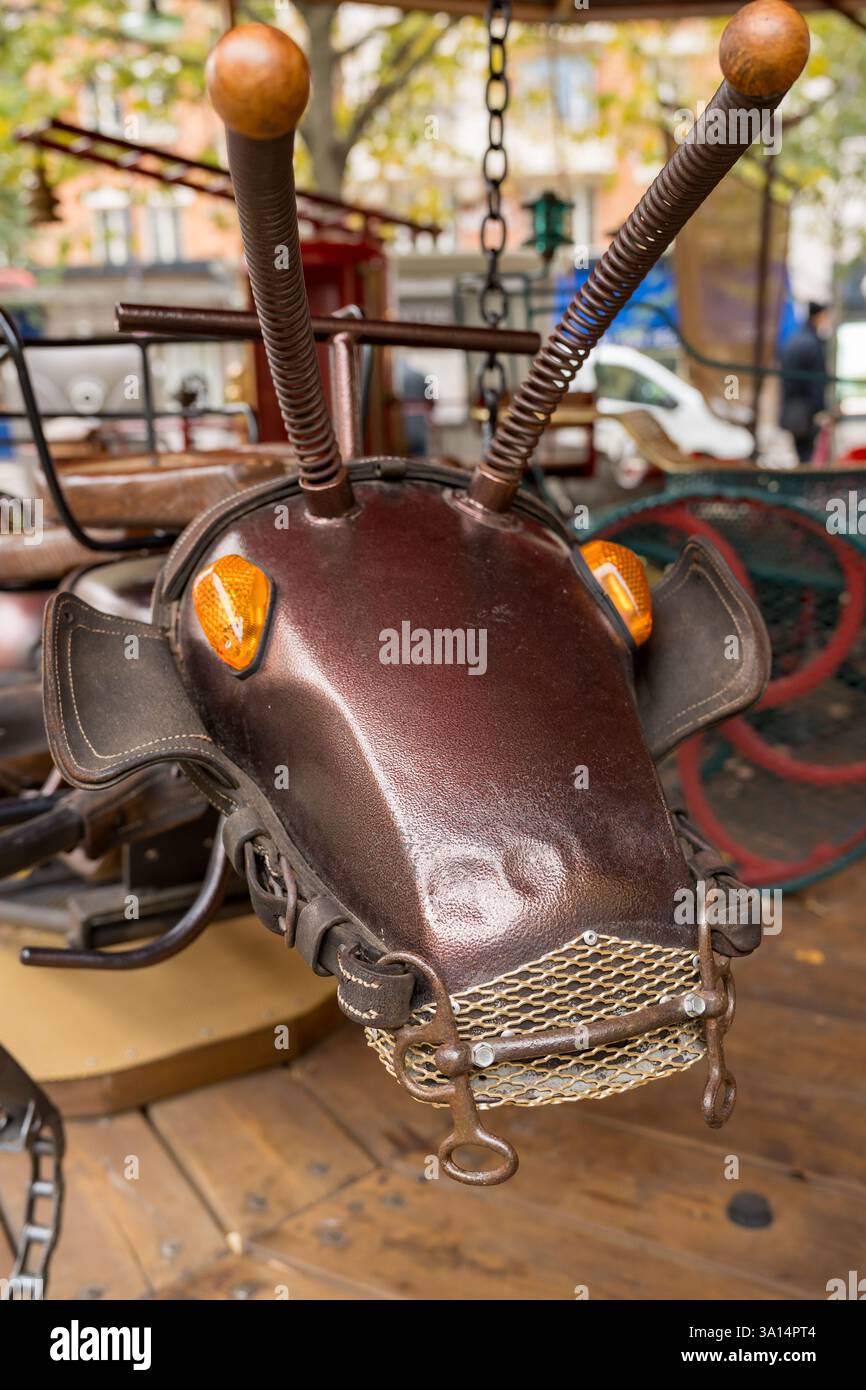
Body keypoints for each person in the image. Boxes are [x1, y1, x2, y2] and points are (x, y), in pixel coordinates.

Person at [778, 301, 831, 463]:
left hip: (792, 408)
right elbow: (816, 382)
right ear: (818, 316)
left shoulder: (793, 340)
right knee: (808, 457)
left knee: (801, 455)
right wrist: (821, 410)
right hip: (807, 410)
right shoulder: (812, 344)